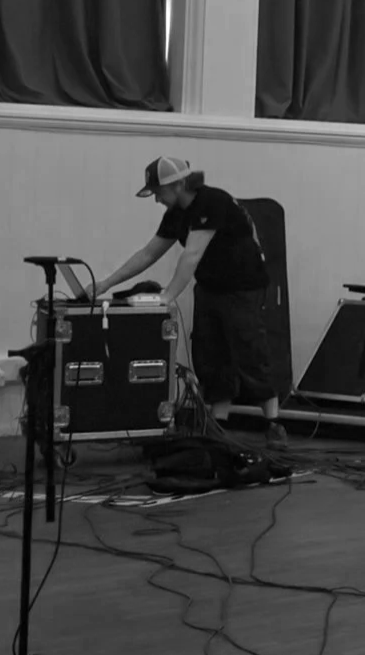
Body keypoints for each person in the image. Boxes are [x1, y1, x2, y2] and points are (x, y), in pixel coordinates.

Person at [86, 157, 287, 451]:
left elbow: (192, 254)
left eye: (159, 192)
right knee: (211, 353)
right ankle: (219, 423)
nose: (156, 199)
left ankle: (274, 422)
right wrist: (105, 283)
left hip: (243, 288)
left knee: (250, 350)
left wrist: (168, 295)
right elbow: (148, 254)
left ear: (179, 185)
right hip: (210, 287)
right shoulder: (176, 213)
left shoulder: (212, 202)